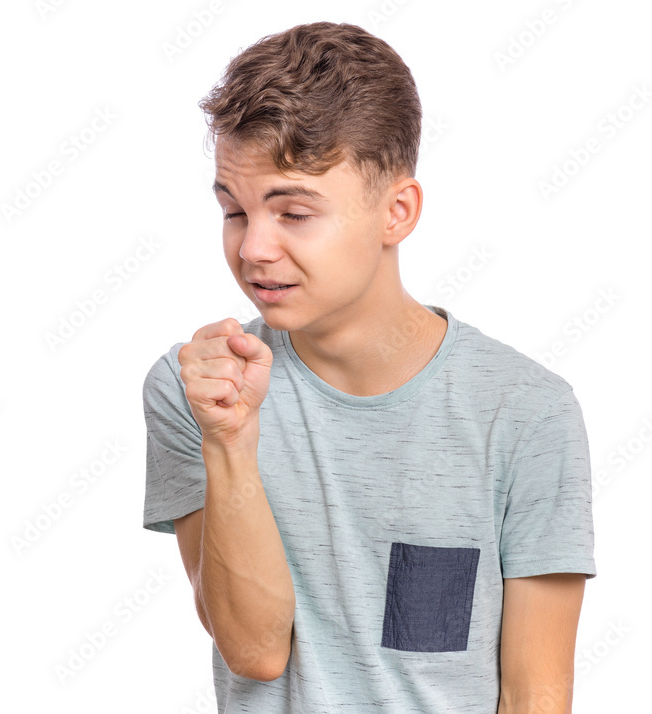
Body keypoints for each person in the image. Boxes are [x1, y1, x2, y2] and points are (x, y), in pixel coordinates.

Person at [142, 20, 596, 713]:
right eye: (235, 211)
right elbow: (255, 650)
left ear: (398, 212)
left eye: (293, 212)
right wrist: (229, 441)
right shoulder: (196, 390)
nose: (254, 248)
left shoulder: (524, 413)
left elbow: (537, 695)